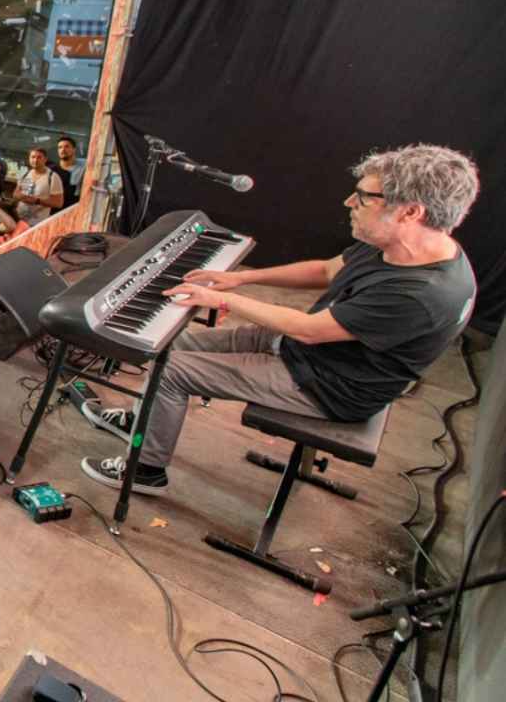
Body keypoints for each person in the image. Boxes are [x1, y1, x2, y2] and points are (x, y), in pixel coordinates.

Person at [79, 144, 479, 498]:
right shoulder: (400, 246)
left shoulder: (422, 293)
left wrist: (221, 298)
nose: (347, 203)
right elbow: (326, 271)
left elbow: (310, 330)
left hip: (329, 384)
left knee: (170, 372)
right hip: (312, 351)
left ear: (411, 211)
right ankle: (143, 421)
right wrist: (242, 277)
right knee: (168, 342)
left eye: (363, 197)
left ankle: (145, 469)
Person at [11, 147, 63, 225]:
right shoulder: (25, 173)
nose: (35, 160)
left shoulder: (53, 177)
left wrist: (37, 201)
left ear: (45, 159)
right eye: (33, 157)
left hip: (37, 223)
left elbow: (58, 203)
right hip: (19, 219)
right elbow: (15, 194)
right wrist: (20, 196)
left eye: (39, 157)